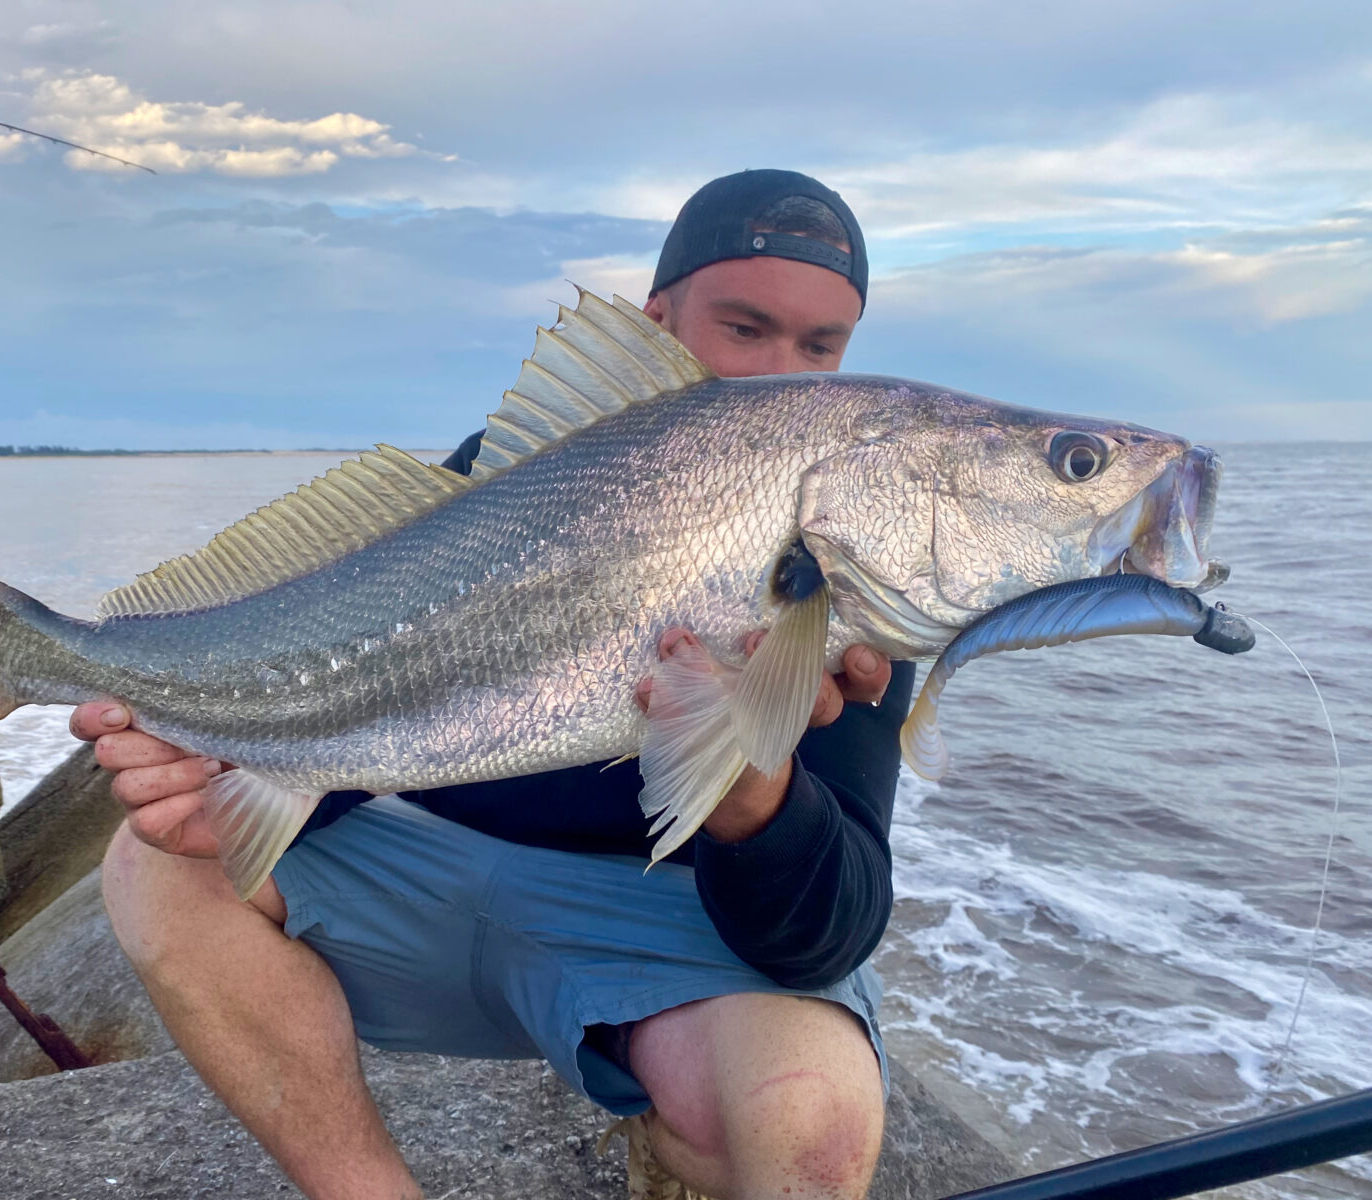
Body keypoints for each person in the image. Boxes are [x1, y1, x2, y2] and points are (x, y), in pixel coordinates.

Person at [74, 169, 914, 1200]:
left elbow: (831, 927)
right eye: (744, 329)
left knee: (815, 1124)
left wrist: (752, 798)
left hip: (649, 925)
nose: (780, 375)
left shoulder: (849, 571)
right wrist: (244, 769)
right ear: (656, 318)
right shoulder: (506, 477)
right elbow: (391, 688)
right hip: (425, 880)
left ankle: (666, 1148)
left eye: (819, 347)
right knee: (152, 862)